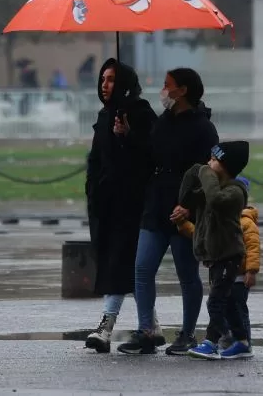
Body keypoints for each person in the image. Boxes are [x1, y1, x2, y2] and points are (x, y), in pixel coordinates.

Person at [118, 67, 219, 356]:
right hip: (156, 202)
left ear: (183, 90)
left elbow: (209, 172)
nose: (163, 90)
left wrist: (189, 205)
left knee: (187, 274)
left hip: (184, 207)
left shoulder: (203, 128)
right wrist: (128, 136)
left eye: (168, 85)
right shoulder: (163, 122)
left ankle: (187, 334)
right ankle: (146, 331)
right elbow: (149, 154)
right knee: (142, 268)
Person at [83, 59, 158, 353]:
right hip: (107, 202)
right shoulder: (105, 115)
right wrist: (93, 188)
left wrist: (128, 137)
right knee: (125, 266)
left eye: (112, 79)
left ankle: (107, 325)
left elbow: (152, 155)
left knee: (122, 264)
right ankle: (150, 324)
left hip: (133, 203)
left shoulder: (139, 113)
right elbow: (97, 158)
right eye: (102, 78)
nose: (105, 84)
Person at [171, 141, 251, 361]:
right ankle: (242, 342)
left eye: (214, 160)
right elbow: (190, 196)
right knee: (227, 304)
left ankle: (212, 341)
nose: (209, 163)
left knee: (215, 302)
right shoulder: (211, 186)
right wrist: (194, 174)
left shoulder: (234, 192)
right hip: (215, 256)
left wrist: (205, 173)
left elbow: (215, 200)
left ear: (226, 166)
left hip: (229, 255)